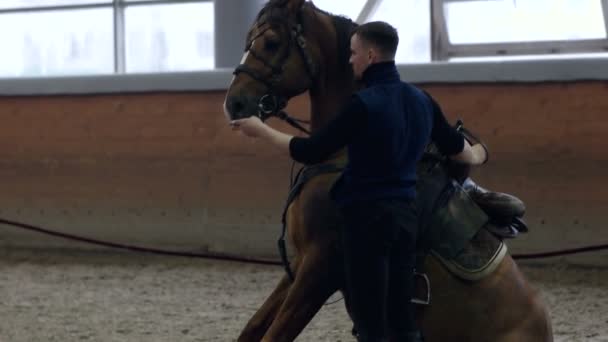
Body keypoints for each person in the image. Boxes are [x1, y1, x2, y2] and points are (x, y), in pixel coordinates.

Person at [231, 21, 486, 342]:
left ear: (370, 55)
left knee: (370, 321)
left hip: (365, 223)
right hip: (406, 220)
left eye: (352, 54)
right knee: (401, 318)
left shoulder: (362, 105)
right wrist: (480, 153)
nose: (349, 60)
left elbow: (311, 151)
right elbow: (460, 151)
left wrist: (261, 130)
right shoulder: (422, 100)